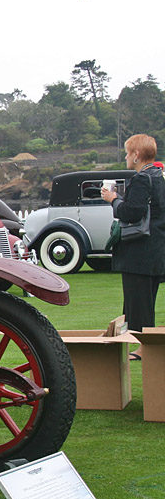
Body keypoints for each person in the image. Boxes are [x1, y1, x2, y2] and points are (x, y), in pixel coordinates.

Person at [101, 134, 165, 360]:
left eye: (128, 153)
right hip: (156, 249)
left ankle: (142, 347)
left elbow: (132, 212)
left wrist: (114, 200)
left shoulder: (141, 179)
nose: (126, 157)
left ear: (137, 155)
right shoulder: (160, 176)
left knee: (137, 302)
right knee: (145, 300)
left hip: (140, 252)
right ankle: (142, 345)